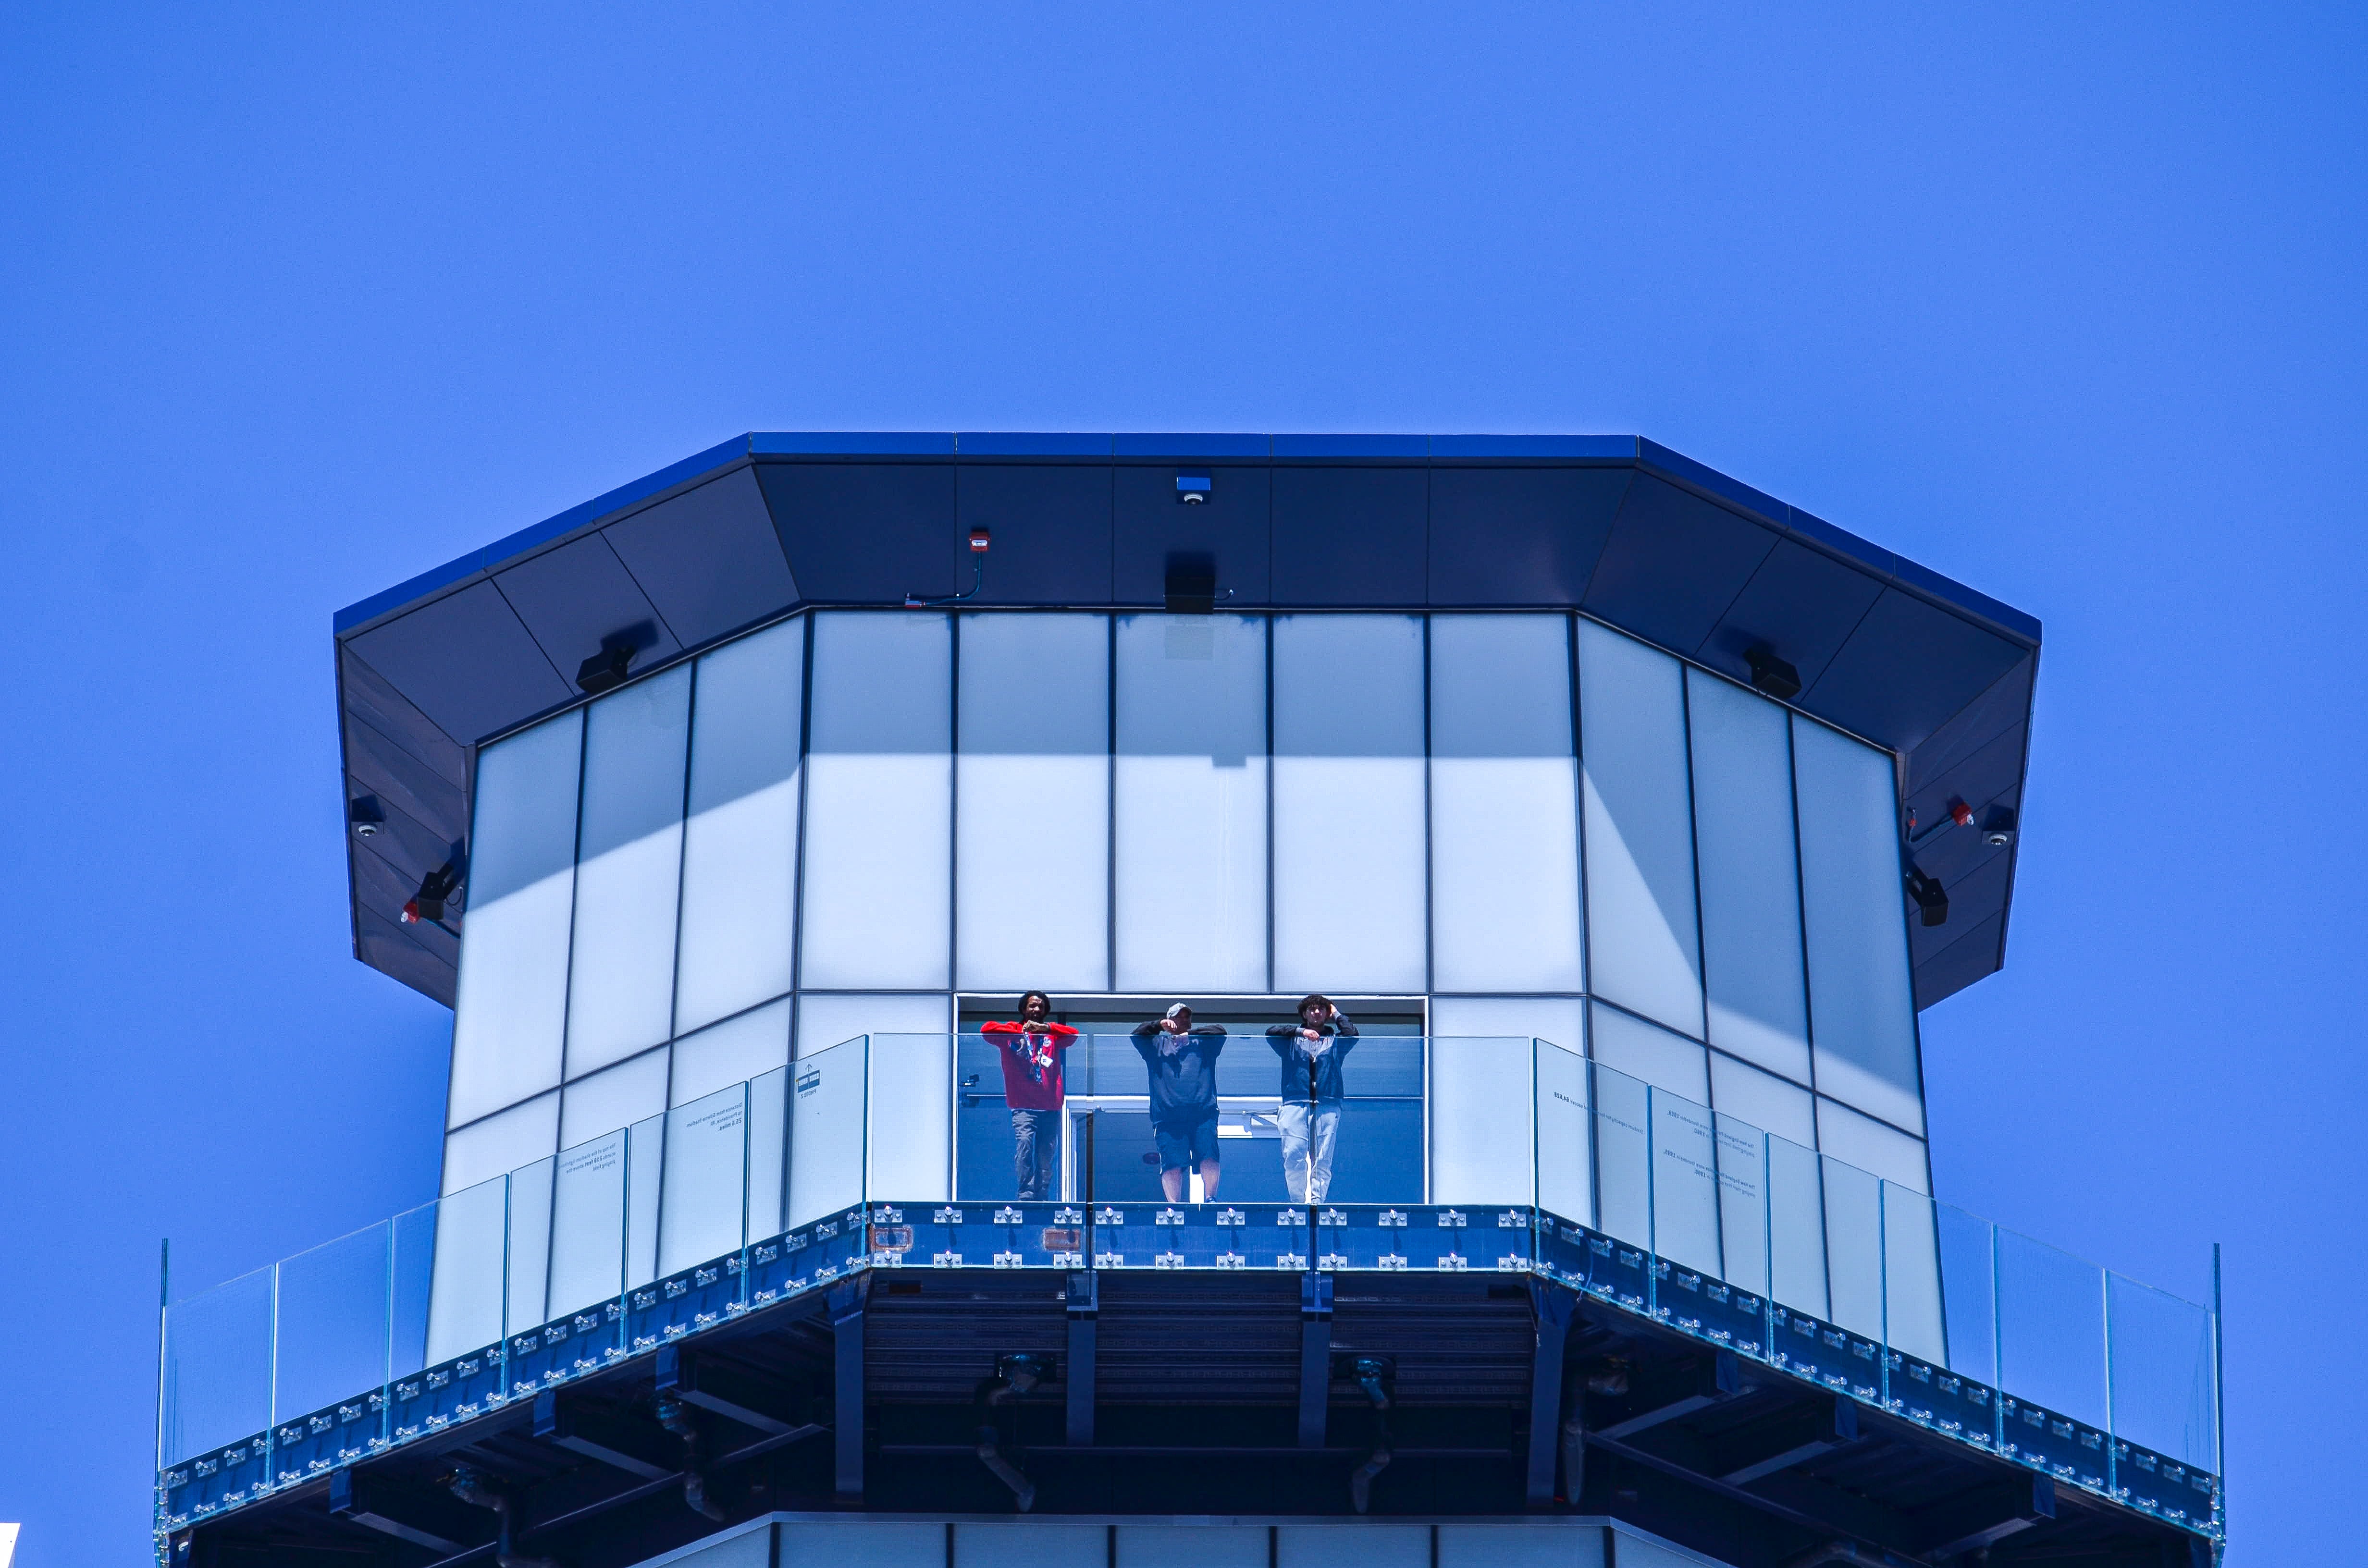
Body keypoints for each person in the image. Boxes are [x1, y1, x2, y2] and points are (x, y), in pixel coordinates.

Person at [980, 992, 1078, 1200]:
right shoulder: (1013, 1031)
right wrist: (1018, 1033)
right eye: (1032, 1006)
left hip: (1050, 1106)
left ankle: (1042, 1195)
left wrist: (1045, 1028)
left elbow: (1073, 1035)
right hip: (1023, 1106)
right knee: (1025, 1144)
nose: (1036, 1010)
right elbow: (986, 1030)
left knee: (1046, 1154)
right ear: (1024, 1009)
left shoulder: (1051, 1034)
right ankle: (1025, 1194)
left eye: (1041, 1007)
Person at [1131, 1003, 1228, 1202]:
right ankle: (1174, 1207)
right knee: (1172, 1162)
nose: (1184, 1020)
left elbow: (1221, 1031)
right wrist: (1158, 1025)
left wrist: (1191, 1034)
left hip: (1203, 1114)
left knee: (1209, 1153)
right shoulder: (1156, 1046)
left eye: (1187, 1017)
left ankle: (1211, 1198)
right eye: (1179, 1017)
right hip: (1168, 1118)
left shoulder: (1204, 1044)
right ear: (1170, 1020)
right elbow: (1137, 1035)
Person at [1266, 994, 1357, 1203]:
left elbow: (1352, 1034)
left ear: (1327, 1014)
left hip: (1328, 1102)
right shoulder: (1291, 1041)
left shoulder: (1335, 1042)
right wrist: (1302, 1032)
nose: (1316, 1012)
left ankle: (1318, 1202)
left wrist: (1336, 1013)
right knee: (1293, 1153)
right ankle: (1298, 1202)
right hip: (1295, 1102)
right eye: (1312, 1009)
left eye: (1321, 1009)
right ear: (1304, 1014)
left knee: (1323, 1158)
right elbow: (1271, 1032)